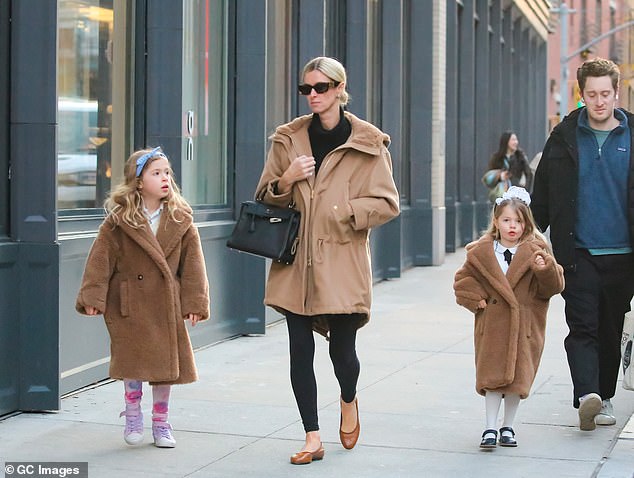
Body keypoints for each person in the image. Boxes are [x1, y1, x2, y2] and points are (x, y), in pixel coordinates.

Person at [254, 56, 400, 465]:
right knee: (299, 349)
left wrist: (345, 211)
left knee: (342, 353)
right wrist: (287, 180)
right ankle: (312, 436)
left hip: (342, 260)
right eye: (306, 90)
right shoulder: (288, 140)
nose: (312, 96)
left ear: (339, 89)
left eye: (320, 88)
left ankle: (349, 398)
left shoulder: (368, 142)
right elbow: (264, 196)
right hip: (295, 260)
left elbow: (387, 202)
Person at [75, 147, 210, 447]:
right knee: (133, 360)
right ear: (138, 182)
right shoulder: (118, 221)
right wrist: (93, 296)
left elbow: (193, 265)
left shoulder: (180, 218)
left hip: (165, 303)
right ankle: (133, 411)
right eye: (156, 173)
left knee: (165, 368)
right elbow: (100, 259)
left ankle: (161, 421)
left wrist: (195, 303)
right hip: (130, 302)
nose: (165, 179)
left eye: (167, 173)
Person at [532, 57, 634, 431]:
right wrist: (522, 239)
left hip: (624, 257)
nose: (599, 101)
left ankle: (604, 394)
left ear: (616, 93)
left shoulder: (633, 136)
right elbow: (541, 197)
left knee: (610, 329)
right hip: (577, 254)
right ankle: (588, 394)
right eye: (591, 94)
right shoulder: (563, 138)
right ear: (582, 95)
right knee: (582, 327)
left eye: (605, 94)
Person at [454, 186, 564, 449]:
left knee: (516, 380)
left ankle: (508, 426)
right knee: (492, 379)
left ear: (526, 224)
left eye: (518, 221)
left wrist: (544, 270)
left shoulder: (537, 251)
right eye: (506, 220)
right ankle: (490, 427)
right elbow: (462, 280)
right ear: (496, 221)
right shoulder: (480, 252)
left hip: (524, 326)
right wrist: (475, 297)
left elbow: (554, 286)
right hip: (492, 325)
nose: (512, 226)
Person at [487, 131, 533, 196]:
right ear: (506, 141)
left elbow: (529, 174)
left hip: (515, 192)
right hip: (500, 193)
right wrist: (500, 176)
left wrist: (526, 190)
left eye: (516, 140)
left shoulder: (520, 156)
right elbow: (490, 175)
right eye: (513, 140)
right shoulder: (496, 158)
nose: (516, 142)